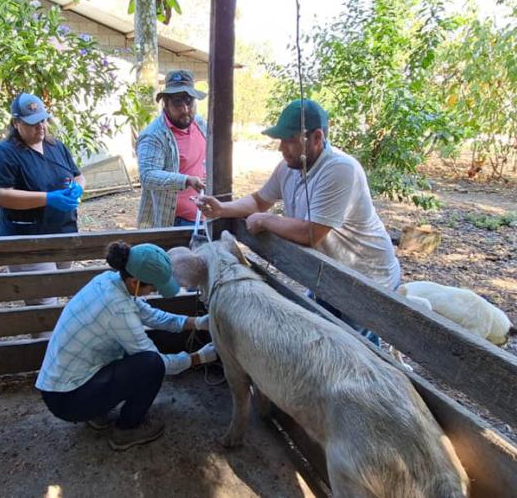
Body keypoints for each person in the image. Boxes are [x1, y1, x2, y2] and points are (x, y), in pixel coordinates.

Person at [196, 99, 401, 345]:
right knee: (323, 340)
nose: (281, 148)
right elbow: (260, 200)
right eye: (280, 140)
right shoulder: (289, 166)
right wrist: (222, 209)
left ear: (317, 137)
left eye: (290, 140)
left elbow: (311, 234)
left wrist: (265, 221)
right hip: (330, 275)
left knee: (356, 351)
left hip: (366, 278)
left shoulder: (340, 169)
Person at [36, 241, 217, 451]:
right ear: (134, 282)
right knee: (151, 365)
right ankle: (126, 429)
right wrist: (200, 357)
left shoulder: (108, 281)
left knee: (134, 353)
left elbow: (150, 315)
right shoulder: (118, 309)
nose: (152, 292)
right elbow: (160, 363)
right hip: (68, 400)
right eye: (152, 287)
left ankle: (96, 410)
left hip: (61, 385)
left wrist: (194, 323)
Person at [0, 92, 85, 305]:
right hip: (29, 239)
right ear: (16, 123)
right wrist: (47, 199)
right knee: (43, 304)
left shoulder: (56, 146)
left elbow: (78, 175)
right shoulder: (4, 152)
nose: (40, 126)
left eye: (43, 120)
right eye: (32, 123)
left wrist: (78, 189)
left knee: (60, 293)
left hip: (63, 232)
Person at [136, 70, 208, 229]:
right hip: (174, 222)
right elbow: (147, 176)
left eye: (189, 101)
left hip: (205, 216)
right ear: (165, 103)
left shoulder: (200, 124)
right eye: (177, 102)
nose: (185, 108)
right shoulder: (154, 135)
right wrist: (186, 180)